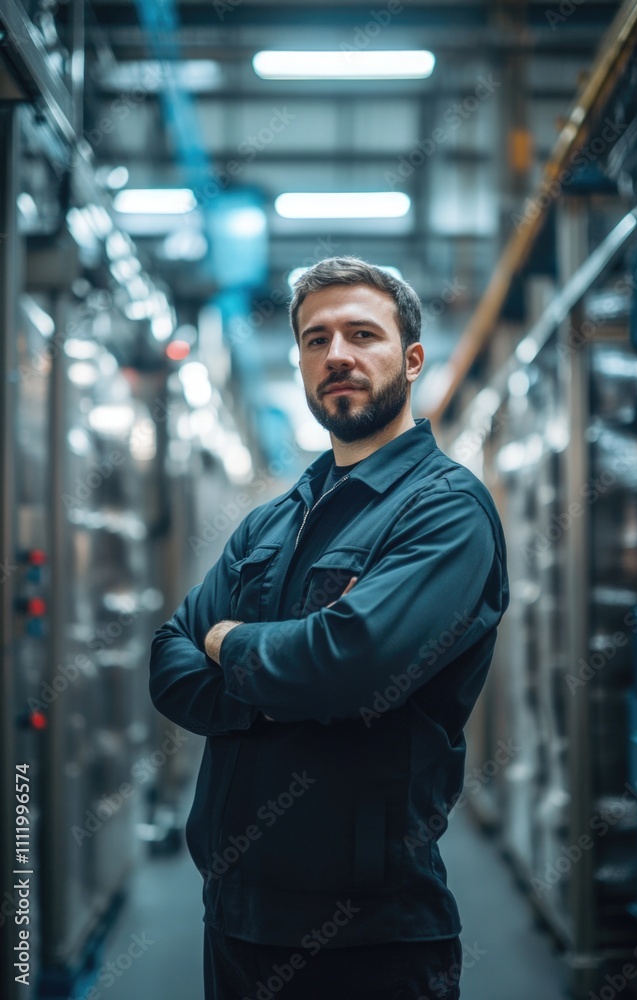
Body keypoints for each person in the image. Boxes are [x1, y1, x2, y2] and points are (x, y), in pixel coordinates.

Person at [149, 257, 509, 1000]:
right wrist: (286, 679)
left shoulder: (444, 511)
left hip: (368, 933)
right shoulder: (271, 520)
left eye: (360, 335)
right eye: (315, 340)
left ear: (410, 360)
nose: (335, 355)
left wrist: (231, 646)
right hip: (236, 914)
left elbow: (349, 663)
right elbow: (167, 661)